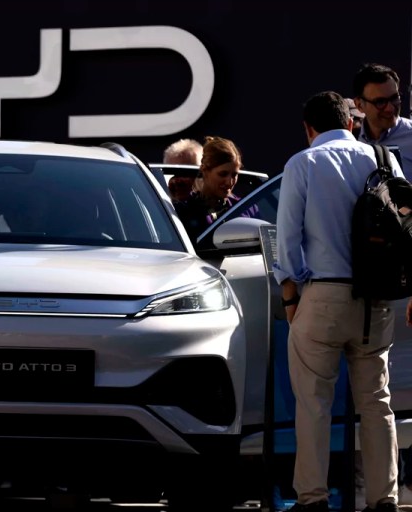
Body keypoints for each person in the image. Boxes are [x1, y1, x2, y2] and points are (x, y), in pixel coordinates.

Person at [273, 90, 402, 512]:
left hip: (323, 294)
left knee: (313, 403)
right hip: (376, 299)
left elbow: (288, 240)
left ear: (309, 129)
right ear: (350, 122)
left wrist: (291, 298)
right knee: (377, 403)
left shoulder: (303, 162)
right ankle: (384, 498)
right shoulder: (384, 159)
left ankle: (312, 498)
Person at [173, 136, 255, 243]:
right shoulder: (182, 211)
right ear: (205, 170)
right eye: (223, 174)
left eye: (234, 175)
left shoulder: (247, 209)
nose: (229, 182)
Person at [353, 63, 412, 180]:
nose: (390, 108)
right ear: (359, 105)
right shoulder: (351, 141)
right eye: (380, 102)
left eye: (395, 98)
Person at [163, 138, 203, 202]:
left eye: (185, 173)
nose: (177, 181)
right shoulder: (158, 205)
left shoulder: (217, 206)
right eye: (172, 173)